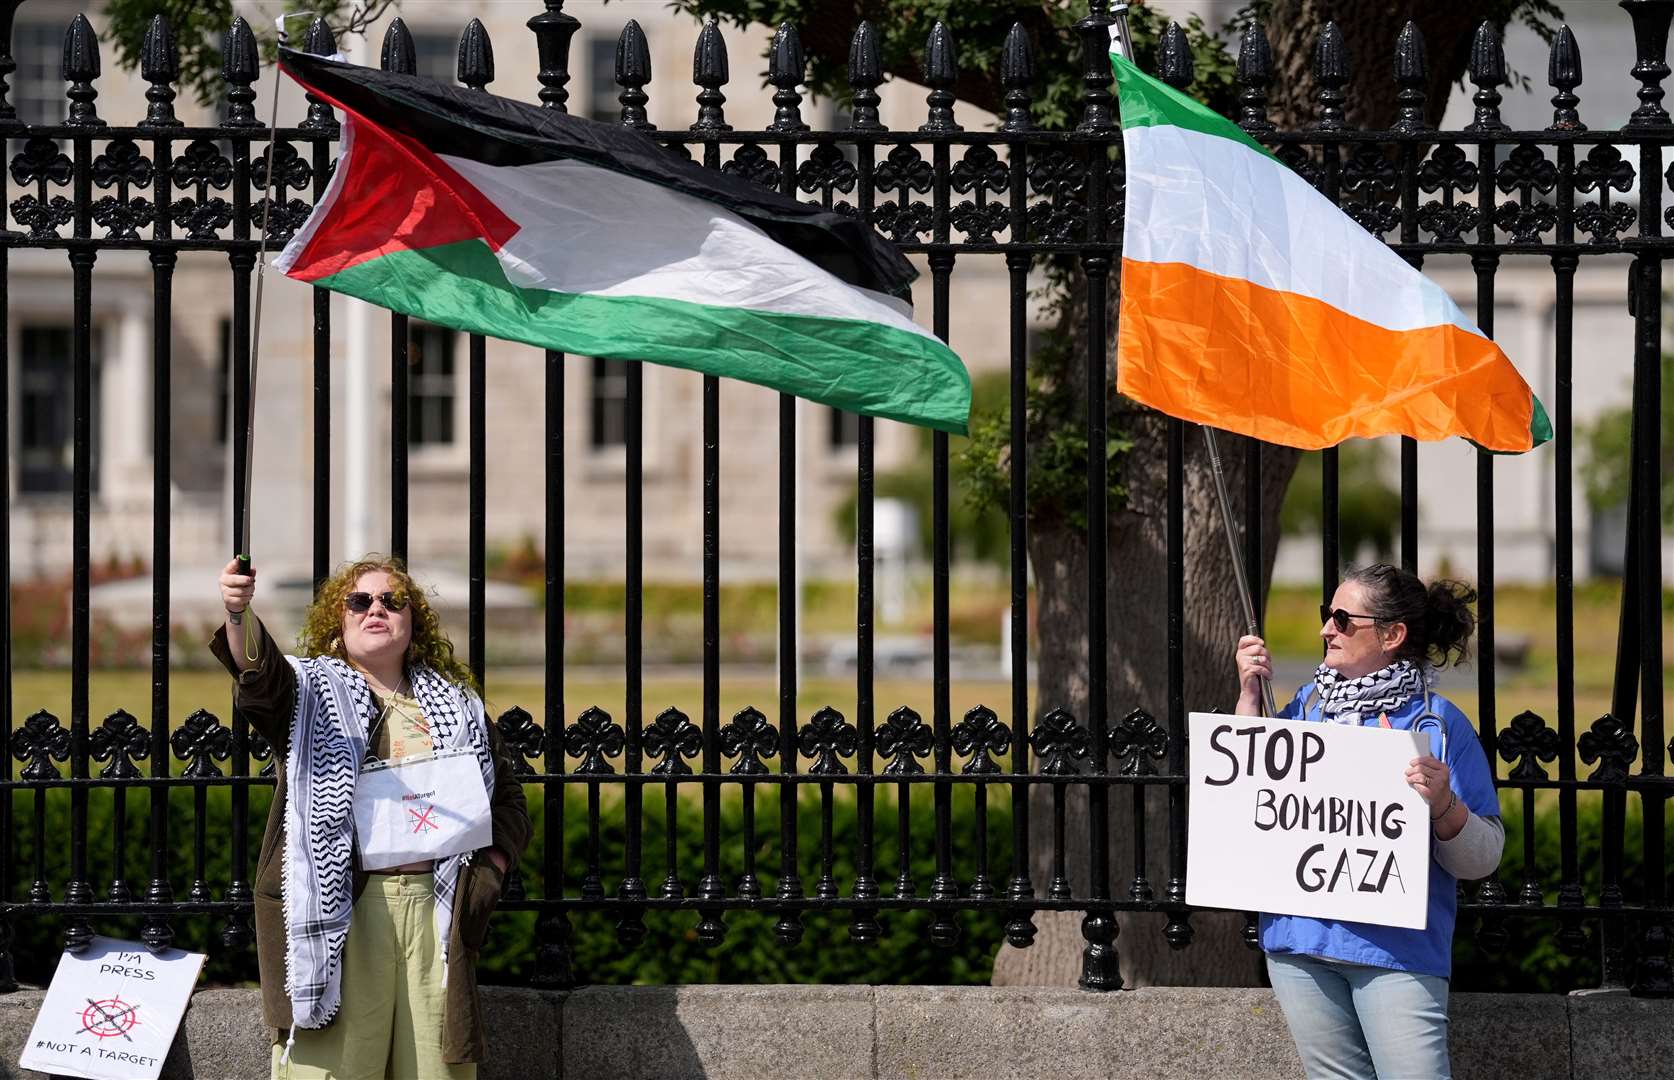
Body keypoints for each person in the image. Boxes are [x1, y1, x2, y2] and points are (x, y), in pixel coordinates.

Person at [214, 556, 531, 1080]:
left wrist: (491, 866)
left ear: (413, 622)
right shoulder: (306, 694)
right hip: (345, 907)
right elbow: (258, 676)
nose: (375, 609)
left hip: (437, 907)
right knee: (331, 1071)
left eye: (392, 600)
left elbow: (508, 801)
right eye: (358, 601)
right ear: (338, 623)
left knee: (436, 1072)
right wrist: (238, 613)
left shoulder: (458, 706)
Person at [1234, 563, 1503, 1080]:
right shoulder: (1305, 708)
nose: (1325, 629)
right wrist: (1249, 698)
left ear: (1392, 635)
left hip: (1397, 952)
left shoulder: (1439, 723)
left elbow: (1483, 857)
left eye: (1341, 618)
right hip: (1299, 945)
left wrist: (1445, 805)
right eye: (1326, 615)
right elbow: (1252, 799)